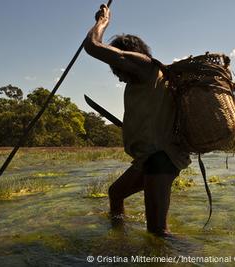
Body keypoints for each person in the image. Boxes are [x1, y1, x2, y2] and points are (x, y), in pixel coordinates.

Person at [84, 4, 191, 236]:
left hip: (161, 159)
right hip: (148, 158)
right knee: (116, 193)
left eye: (118, 68)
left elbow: (92, 46)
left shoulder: (145, 64)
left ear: (127, 58)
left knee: (157, 231)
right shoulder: (140, 82)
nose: (119, 76)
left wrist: (102, 21)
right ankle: (118, 240)